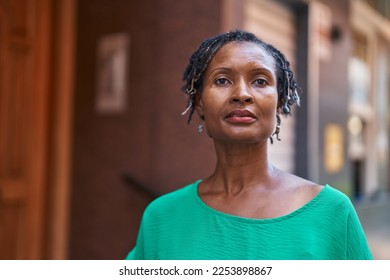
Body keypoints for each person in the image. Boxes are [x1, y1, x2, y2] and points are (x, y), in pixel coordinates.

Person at [125, 30, 372, 260]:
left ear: (278, 104)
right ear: (199, 103)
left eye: (260, 81)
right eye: (222, 81)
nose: (242, 94)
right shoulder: (161, 218)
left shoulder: (332, 212)